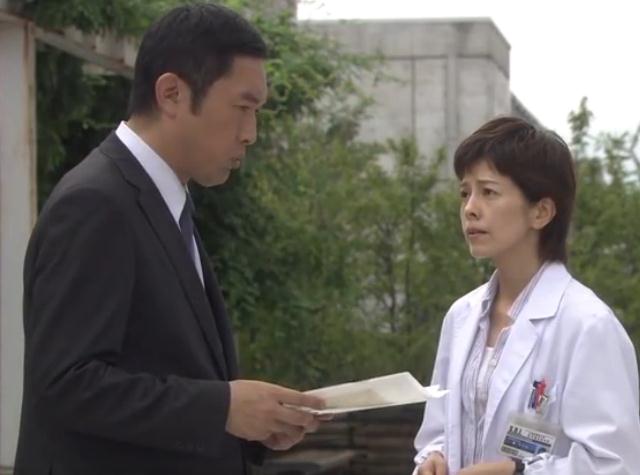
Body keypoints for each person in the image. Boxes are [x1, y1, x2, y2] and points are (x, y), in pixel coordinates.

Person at [15, 4, 326, 474]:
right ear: (172, 93)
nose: (251, 134)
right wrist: (222, 408)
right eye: (242, 108)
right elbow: (66, 384)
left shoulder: (166, 202)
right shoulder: (96, 203)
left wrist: (252, 422)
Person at [413, 117, 640, 475]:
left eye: (489, 192)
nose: (470, 208)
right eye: (464, 193)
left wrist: (516, 472)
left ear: (541, 211)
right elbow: (440, 430)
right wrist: (434, 457)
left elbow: (616, 464)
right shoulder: (461, 316)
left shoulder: (588, 325)